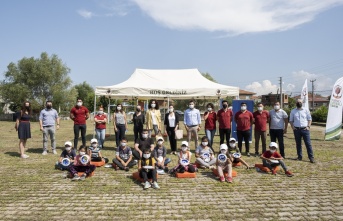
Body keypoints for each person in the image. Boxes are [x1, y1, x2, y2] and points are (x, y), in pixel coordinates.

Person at [289, 99, 315, 163]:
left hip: (305, 129)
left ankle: (311, 157)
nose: (299, 103)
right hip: (296, 129)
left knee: (308, 144)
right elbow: (291, 120)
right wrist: (293, 127)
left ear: (302, 103)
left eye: (300, 102)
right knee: (298, 144)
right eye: (298, 102)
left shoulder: (306, 110)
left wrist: (308, 126)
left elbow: (309, 119)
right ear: (296, 103)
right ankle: (299, 157)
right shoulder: (293, 111)